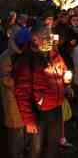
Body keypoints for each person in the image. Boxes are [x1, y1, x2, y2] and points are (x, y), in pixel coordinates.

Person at [14, 25, 67, 158]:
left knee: (53, 144)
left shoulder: (54, 54)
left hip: (56, 106)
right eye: (45, 37)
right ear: (35, 39)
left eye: (50, 36)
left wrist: (66, 78)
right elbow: (22, 92)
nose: (49, 39)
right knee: (35, 149)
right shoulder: (27, 59)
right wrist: (28, 120)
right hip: (39, 112)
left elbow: (63, 69)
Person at [0, 28, 30, 158]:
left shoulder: (26, 54)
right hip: (13, 99)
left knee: (26, 130)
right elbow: (5, 79)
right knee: (16, 132)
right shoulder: (6, 57)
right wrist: (21, 80)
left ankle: (24, 150)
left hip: (25, 98)